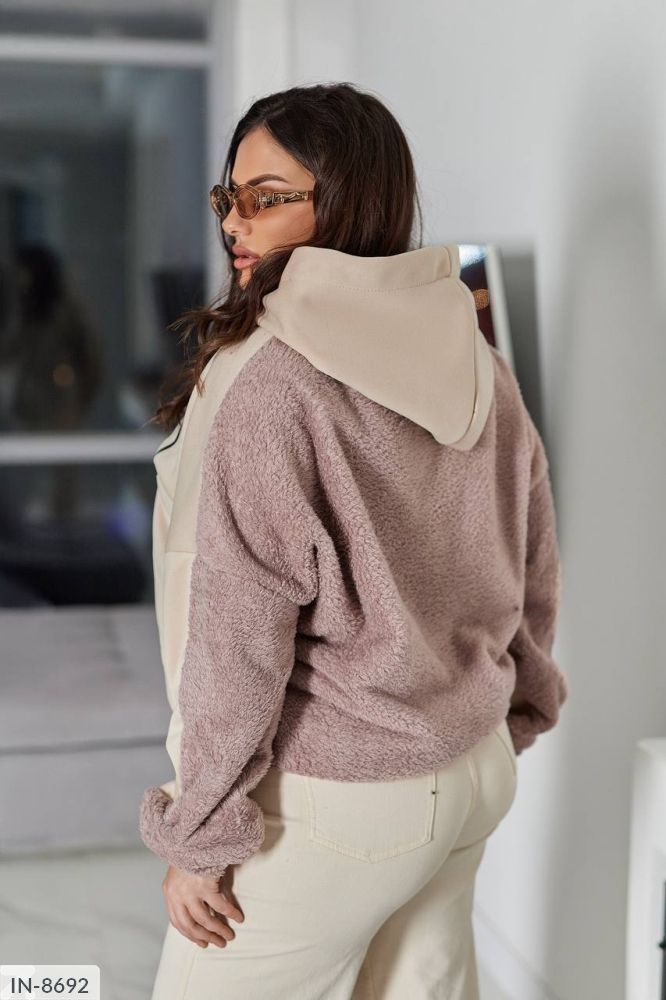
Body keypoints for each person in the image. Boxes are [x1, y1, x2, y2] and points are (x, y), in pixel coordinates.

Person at [138, 82, 569, 1000]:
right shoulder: (478, 358)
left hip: (339, 798)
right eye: (228, 197)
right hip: (471, 770)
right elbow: (530, 556)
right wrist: (519, 705)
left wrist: (202, 833)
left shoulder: (272, 382)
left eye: (266, 197)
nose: (234, 224)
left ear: (347, 201)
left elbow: (239, 637)